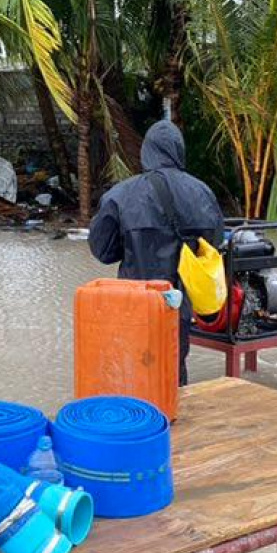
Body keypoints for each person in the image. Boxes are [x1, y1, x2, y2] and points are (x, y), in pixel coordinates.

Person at [89, 119, 225, 384]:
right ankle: (173, 418)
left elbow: (102, 250)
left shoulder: (120, 195)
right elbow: (213, 244)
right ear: (179, 151)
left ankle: (141, 422)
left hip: (132, 305)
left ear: (146, 152)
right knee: (173, 372)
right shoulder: (202, 193)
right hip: (178, 305)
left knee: (132, 374)